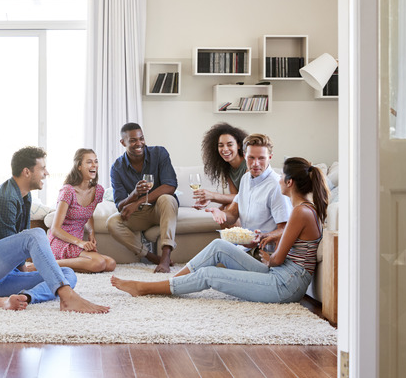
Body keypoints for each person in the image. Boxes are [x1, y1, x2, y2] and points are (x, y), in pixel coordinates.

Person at [111, 157, 329, 304]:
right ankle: (169, 283)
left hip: (285, 284)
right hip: (282, 276)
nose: (279, 180)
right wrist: (269, 243)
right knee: (219, 246)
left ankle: (145, 288)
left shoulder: (301, 212)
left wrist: (266, 256)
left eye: (282, 177)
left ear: (290, 183)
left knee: (209, 275)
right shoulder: (304, 209)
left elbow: (278, 260)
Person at [0, 146, 109, 313]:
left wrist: (25, 274)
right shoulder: (3, 199)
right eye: (42, 168)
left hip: (0, 279)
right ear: (27, 172)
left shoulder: (25, 196)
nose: (46, 173)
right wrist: (26, 271)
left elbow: (15, 251)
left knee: (66, 275)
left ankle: (23, 298)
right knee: (35, 235)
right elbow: (12, 246)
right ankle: (67, 297)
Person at [107, 122, 179, 273]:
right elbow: (120, 205)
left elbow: (170, 185)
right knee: (112, 222)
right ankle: (151, 257)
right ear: (123, 142)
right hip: (141, 214)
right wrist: (134, 194)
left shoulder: (159, 153)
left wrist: (138, 201)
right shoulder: (117, 168)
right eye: (133, 140)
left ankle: (165, 256)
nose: (139, 143)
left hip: (161, 210)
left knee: (167, 198)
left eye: (141, 138)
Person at [205, 133, 292, 258]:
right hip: (246, 248)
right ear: (245, 156)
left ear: (270, 157)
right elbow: (233, 214)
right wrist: (221, 214)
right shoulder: (246, 178)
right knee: (215, 253)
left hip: (265, 252)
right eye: (251, 158)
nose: (255, 163)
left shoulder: (276, 186)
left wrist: (260, 237)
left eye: (261, 158)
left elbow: (285, 230)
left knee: (216, 252)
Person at [47, 148, 117, 273]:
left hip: (78, 242)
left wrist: (91, 232)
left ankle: (64, 265)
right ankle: (47, 265)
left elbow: (88, 214)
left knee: (110, 264)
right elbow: (55, 229)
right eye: (89, 162)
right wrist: (79, 243)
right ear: (79, 166)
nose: (94, 165)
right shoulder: (68, 191)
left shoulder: (98, 191)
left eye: (96, 161)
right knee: (99, 263)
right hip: (61, 241)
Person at [192, 122, 249, 209]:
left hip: (254, 205)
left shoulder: (249, 164)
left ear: (239, 145)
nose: (225, 149)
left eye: (230, 145)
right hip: (243, 204)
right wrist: (209, 199)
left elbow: (245, 197)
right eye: (221, 145)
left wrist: (212, 195)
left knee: (226, 210)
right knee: (222, 209)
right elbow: (235, 197)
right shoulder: (227, 168)